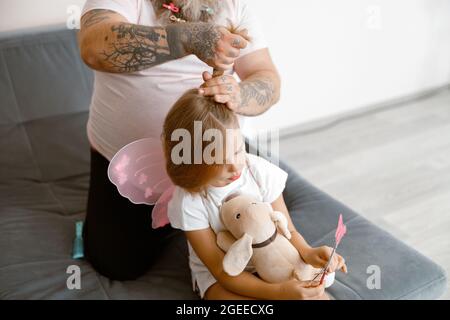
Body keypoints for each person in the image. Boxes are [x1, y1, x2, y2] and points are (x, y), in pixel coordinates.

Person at [162, 89, 347, 299]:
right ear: (191, 164)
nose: (234, 166)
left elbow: (288, 232)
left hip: (271, 256)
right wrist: (277, 292)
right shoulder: (191, 200)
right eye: (219, 162)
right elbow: (220, 270)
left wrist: (308, 252)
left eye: (238, 150)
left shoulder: (258, 172)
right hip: (225, 274)